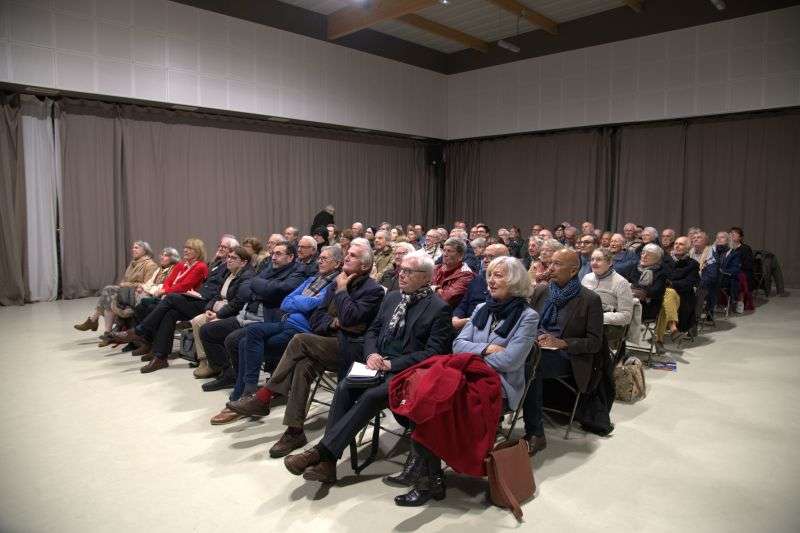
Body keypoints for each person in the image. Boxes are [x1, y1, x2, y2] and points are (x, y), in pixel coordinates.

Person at [282, 250, 452, 485]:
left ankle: (321, 454)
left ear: (426, 277)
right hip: (377, 362)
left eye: (408, 271)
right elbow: (373, 331)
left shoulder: (438, 308)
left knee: (371, 395)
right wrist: (371, 353)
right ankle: (327, 464)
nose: (401, 275)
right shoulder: (393, 297)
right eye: (400, 270)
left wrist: (392, 363)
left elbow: (434, 353)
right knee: (345, 387)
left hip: (408, 371)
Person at [389, 256, 538, 506]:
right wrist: (486, 350)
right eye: (490, 275)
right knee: (423, 395)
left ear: (515, 281)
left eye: (498, 275)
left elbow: (511, 361)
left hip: (499, 385)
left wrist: (473, 356)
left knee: (437, 405)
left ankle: (427, 480)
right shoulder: (481, 309)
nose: (491, 280)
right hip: (465, 375)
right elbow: (457, 345)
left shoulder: (528, 316)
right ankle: (431, 477)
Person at [229, 240, 384, 454]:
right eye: (347, 253)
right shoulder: (334, 283)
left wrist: (342, 292)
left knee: (300, 340)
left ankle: (264, 396)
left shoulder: (373, 290)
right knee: (303, 364)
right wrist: (334, 323)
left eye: (353, 256)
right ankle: (294, 431)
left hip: (351, 350)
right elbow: (316, 318)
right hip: (326, 342)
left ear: (365, 266)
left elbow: (351, 319)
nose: (347, 257)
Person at [210, 246, 344, 425]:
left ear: (337, 263)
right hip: (285, 321)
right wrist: (299, 302)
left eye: (324, 259)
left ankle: (244, 395)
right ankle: (247, 394)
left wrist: (298, 302)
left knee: (244, 343)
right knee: (248, 335)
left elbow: (310, 304)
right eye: (320, 258)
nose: (319, 261)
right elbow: (285, 302)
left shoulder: (336, 283)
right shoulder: (312, 279)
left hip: (302, 330)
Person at [523, 249, 604, 455]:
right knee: (506, 356)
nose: (550, 268)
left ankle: (536, 433)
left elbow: (595, 343)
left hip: (568, 356)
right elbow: (528, 322)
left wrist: (562, 343)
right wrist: (535, 336)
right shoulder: (542, 291)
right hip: (536, 347)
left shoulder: (590, 299)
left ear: (573, 270)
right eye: (550, 263)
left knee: (531, 366)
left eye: (557, 264)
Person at [198, 241, 306, 389]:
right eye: (273, 253)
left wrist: (260, 287)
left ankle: (242, 382)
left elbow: (278, 290)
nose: (273, 257)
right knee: (207, 331)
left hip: (266, 320)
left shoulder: (297, 273)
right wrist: (263, 289)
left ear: (290, 257)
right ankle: (228, 373)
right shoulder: (269, 268)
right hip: (246, 314)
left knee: (233, 340)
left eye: (278, 254)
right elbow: (245, 290)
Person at [112, 238, 212, 371]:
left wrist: (166, 292)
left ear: (198, 252)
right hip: (176, 300)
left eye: (190, 249)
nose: (185, 250)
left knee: (168, 300)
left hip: (192, 302)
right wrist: (165, 290)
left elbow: (184, 286)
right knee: (149, 307)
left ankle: (140, 331)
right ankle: (159, 355)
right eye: (185, 247)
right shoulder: (181, 265)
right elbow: (169, 281)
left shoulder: (200, 266)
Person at [190, 246, 255, 379]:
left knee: (206, 326)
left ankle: (218, 366)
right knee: (196, 321)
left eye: (233, 258)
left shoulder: (247, 277)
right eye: (228, 257)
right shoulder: (228, 274)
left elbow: (237, 303)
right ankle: (204, 361)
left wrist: (218, 315)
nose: (229, 260)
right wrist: (208, 309)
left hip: (234, 314)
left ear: (243, 262)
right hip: (219, 310)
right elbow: (216, 294)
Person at [74, 241, 158, 336]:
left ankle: (94, 321)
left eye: (136, 247)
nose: (133, 249)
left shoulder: (150, 265)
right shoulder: (133, 263)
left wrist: (126, 284)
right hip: (127, 291)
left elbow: (147, 285)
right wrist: (124, 285)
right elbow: (125, 279)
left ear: (145, 250)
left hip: (138, 293)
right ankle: (106, 330)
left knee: (109, 290)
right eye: (133, 247)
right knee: (108, 296)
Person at [452, 243, 508, 331]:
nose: (485, 260)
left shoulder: (507, 284)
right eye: (484, 256)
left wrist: (467, 321)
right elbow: (463, 304)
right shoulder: (477, 279)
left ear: (504, 260)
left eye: (491, 257)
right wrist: (456, 318)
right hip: (463, 326)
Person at [581, 248, 634, 327]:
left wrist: (598, 317)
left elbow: (626, 316)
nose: (594, 263)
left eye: (599, 260)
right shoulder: (587, 277)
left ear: (609, 263)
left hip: (606, 326)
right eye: (592, 259)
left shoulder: (621, 283)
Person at [619, 243, 667, 322]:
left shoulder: (661, 273)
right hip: (627, 303)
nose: (644, 256)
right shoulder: (634, 267)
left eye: (649, 255)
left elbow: (654, 292)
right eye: (643, 253)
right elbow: (621, 281)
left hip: (647, 308)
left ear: (657, 258)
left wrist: (632, 287)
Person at [664, 236, 700, 340]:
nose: (677, 246)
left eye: (681, 244)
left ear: (688, 248)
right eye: (676, 243)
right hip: (662, 293)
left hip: (683, 295)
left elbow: (689, 282)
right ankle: (673, 329)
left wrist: (671, 283)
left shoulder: (692, 264)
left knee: (670, 294)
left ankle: (660, 338)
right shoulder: (665, 261)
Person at [432, 238, 475, 308]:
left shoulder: (466, 275)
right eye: (444, 250)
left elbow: (446, 298)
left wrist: (434, 289)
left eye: (449, 251)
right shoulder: (436, 268)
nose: (445, 254)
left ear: (460, 256)